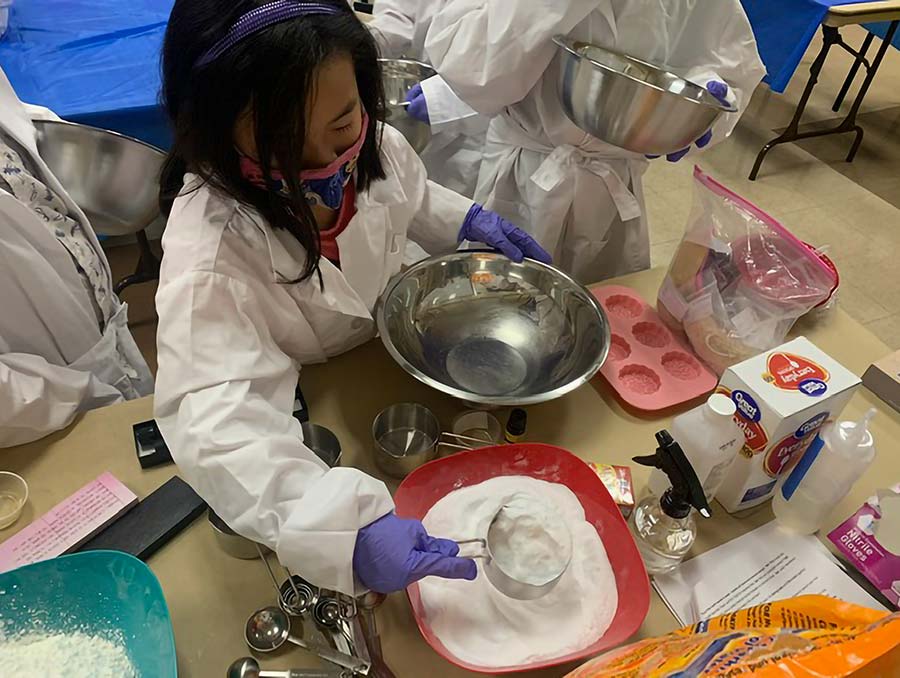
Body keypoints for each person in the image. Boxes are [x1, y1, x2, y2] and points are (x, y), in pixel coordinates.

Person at [154, 0, 550, 596]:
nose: (327, 165)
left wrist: (465, 218)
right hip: (306, 382)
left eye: (343, 125)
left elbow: (407, 195)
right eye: (284, 146)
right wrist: (338, 527)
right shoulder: (210, 246)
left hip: (377, 359)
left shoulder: (378, 146)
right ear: (215, 129)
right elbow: (217, 417)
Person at [425, 0, 766, 283]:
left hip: (613, 181)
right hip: (518, 172)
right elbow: (472, 74)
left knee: (597, 310)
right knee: (494, 304)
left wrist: (702, 103)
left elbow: (733, 67)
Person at [0, 67, 153, 448]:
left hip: (99, 345)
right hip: (42, 419)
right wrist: (82, 392)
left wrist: (44, 136)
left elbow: (12, 115)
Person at [367, 0, 489, 198]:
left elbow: (510, 63)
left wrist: (447, 98)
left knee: (459, 210)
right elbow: (400, 14)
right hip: (419, 127)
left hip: (476, 135)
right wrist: (363, 43)